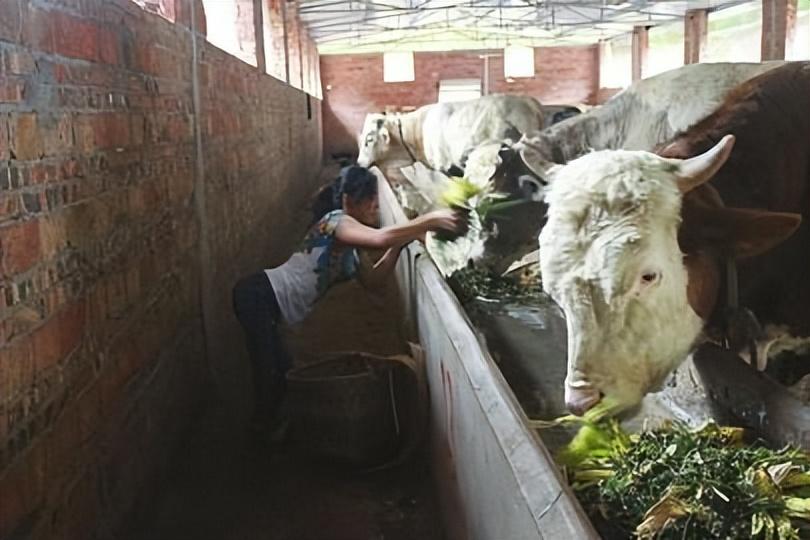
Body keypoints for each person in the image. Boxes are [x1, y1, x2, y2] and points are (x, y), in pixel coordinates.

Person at [232, 165, 467, 439]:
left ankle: (272, 431)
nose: (375, 209)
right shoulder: (335, 221)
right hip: (259, 295)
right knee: (270, 377)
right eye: (371, 202)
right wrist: (431, 220)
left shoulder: (350, 256)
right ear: (348, 201)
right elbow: (379, 238)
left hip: (266, 302)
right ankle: (261, 439)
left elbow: (374, 281)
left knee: (281, 372)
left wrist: (399, 245)